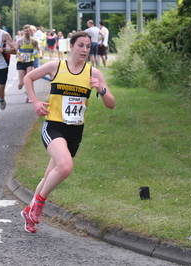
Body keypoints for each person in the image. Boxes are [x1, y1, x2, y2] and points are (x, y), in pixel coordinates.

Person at [21, 31, 116, 233]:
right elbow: (29, 78)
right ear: (71, 47)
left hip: (75, 130)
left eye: (88, 46)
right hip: (54, 126)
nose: (84, 50)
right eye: (80, 45)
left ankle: (29, 211)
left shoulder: (93, 73)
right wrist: (35, 102)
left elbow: (111, 104)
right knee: (64, 167)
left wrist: (101, 90)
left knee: (49, 176)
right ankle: (38, 204)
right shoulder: (56, 67)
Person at [15, 24, 41, 103]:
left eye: (28, 31)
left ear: (30, 32)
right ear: (23, 32)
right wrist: (21, 58)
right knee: (22, 83)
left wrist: (39, 54)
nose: (26, 32)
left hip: (30, 62)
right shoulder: (19, 41)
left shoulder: (34, 41)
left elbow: (38, 49)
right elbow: (15, 51)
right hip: (21, 62)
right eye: (25, 31)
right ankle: (20, 84)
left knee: (28, 79)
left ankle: (28, 96)